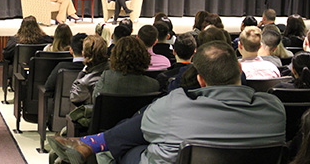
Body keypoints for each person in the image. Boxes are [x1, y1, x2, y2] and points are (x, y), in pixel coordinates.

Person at [48, 41, 286, 164]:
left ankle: (92, 144)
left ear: (201, 80)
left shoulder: (176, 105)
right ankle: (92, 144)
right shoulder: (274, 109)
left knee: (127, 145)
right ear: (240, 69)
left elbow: (143, 131)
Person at [92, 36, 160, 102]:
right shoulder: (154, 85)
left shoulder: (106, 78)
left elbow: (95, 100)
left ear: (115, 56)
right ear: (144, 56)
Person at [69, 36, 110, 106]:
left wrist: (82, 73)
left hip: (95, 115)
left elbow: (73, 97)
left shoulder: (85, 82)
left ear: (84, 55)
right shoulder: (117, 71)